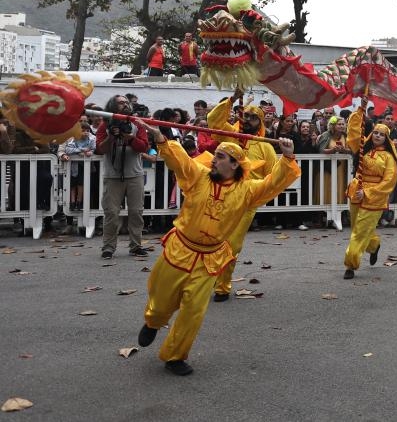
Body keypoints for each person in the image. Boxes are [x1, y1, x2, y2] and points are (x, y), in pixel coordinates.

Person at [135, 121, 299, 376]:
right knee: (160, 301)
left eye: (220, 157)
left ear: (234, 164)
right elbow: (180, 161)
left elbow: (272, 184)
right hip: (180, 250)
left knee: (194, 310)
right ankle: (153, 322)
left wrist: (287, 157)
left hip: (209, 259)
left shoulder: (246, 191)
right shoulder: (197, 177)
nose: (213, 160)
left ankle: (175, 355)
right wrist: (160, 140)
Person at [206, 95, 278, 300]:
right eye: (244, 115)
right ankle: (205, 277)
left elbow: (272, 178)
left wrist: (257, 197)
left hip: (245, 202)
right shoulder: (230, 137)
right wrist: (232, 99)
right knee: (210, 240)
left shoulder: (266, 147)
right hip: (218, 196)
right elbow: (214, 121)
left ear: (260, 123)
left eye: (252, 118)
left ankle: (222, 286)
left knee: (232, 244)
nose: (246, 119)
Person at [342, 107, 397, 278]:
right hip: (356, 193)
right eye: (375, 133)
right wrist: (358, 114)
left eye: (381, 134)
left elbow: (389, 181)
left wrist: (367, 193)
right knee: (357, 229)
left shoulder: (388, 157)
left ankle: (350, 265)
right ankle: (374, 245)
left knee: (359, 231)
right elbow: (352, 134)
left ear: (386, 138)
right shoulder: (362, 149)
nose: (378, 136)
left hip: (374, 198)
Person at [95, 95, 150, 259]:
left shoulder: (136, 124)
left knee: (136, 212)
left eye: (126, 102)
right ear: (112, 106)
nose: (125, 105)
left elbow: (144, 147)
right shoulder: (105, 125)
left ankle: (136, 246)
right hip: (112, 176)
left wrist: (130, 138)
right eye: (121, 103)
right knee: (111, 213)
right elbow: (99, 149)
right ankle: (108, 247)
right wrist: (111, 137)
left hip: (135, 175)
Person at [59, 116, 96, 210]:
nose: (86, 132)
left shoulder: (92, 138)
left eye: (87, 130)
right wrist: (79, 150)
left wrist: (91, 152)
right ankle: (71, 203)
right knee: (72, 185)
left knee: (81, 184)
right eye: (80, 121)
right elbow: (64, 149)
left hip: (85, 167)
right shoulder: (70, 137)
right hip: (70, 167)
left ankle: (79, 202)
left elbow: (93, 148)